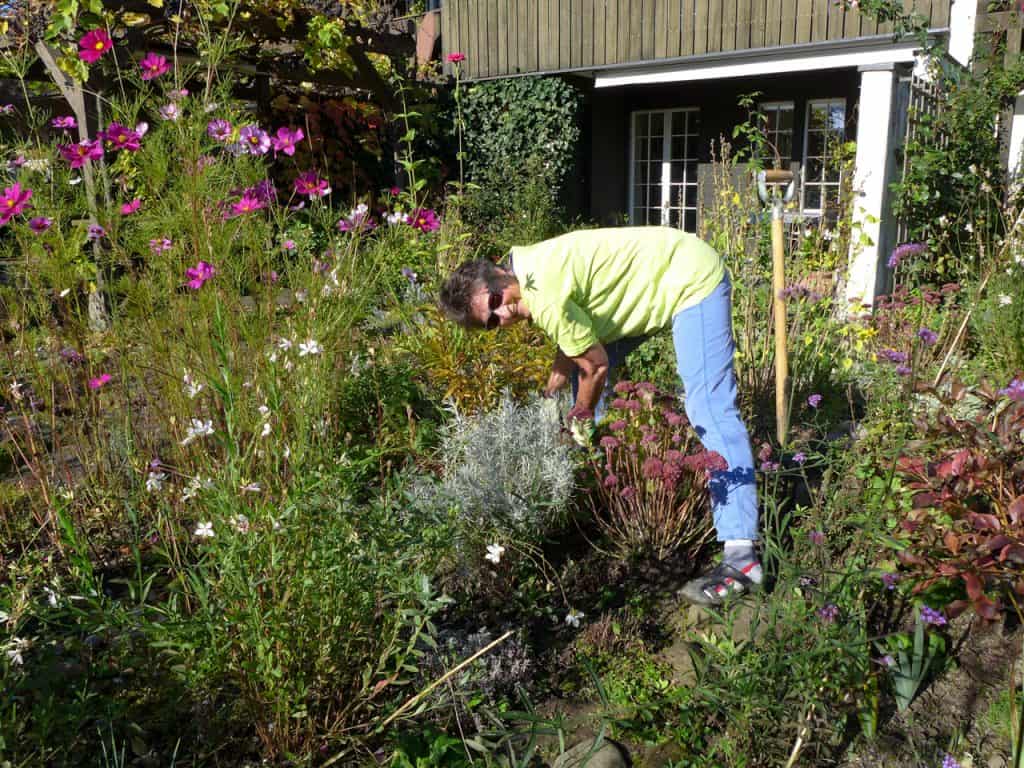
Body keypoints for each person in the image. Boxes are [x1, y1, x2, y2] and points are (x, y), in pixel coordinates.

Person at [438, 226, 760, 606]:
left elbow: (595, 366)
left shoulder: (545, 295)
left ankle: (742, 558)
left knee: (709, 406)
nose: (503, 313)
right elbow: (572, 345)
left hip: (690, 277)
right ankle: (598, 496)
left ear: (499, 273)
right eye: (491, 320)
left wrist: (581, 414)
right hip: (666, 269)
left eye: (496, 299)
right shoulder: (529, 266)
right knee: (579, 378)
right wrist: (550, 390)